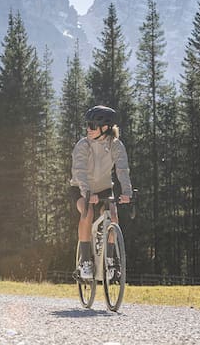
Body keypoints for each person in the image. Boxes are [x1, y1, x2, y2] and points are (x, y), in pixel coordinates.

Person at [69, 105, 132, 280]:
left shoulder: (116, 146)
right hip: (81, 188)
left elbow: (122, 170)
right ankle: (85, 263)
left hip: (104, 188)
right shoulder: (83, 145)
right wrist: (87, 192)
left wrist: (127, 192)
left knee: (113, 216)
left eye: (93, 126)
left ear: (105, 128)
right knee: (87, 212)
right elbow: (79, 170)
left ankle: (111, 261)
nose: (88, 129)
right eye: (87, 125)